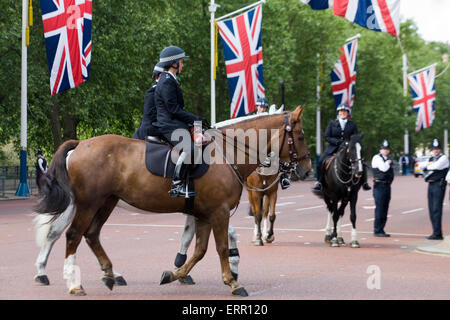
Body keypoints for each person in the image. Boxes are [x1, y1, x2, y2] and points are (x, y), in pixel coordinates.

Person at [153, 45, 205, 198]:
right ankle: (176, 185)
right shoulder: (167, 81)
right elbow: (174, 109)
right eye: (181, 62)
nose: (182, 64)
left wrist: (195, 121)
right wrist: (195, 119)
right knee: (189, 148)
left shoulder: (170, 79)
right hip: (168, 124)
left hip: (173, 122)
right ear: (173, 63)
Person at [313, 103, 371, 191]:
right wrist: (337, 142)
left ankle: (364, 182)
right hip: (333, 148)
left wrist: (349, 143)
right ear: (338, 113)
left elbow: (355, 138)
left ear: (348, 113)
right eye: (341, 111)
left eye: (344, 111)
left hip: (348, 148)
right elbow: (327, 137)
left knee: (360, 161)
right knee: (321, 161)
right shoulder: (332, 123)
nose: (342, 113)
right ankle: (319, 182)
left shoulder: (352, 125)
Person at [419, 139, 449, 240]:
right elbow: (420, 166)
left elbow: (436, 166)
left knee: (436, 209)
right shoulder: (431, 158)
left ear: (440, 149)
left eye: (437, 149)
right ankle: (435, 232)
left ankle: (438, 233)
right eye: (434, 149)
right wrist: (428, 165)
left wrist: (427, 166)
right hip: (431, 184)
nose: (435, 150)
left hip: (439, 185)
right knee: (431, 209)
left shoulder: (443, 158)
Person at [133, 62, 165, 140]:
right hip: (151, 128)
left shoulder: (158, 89)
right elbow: (152, 115)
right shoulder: (154, 91)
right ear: (160, 76)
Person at [371, 140, 394, 237]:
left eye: (387, 149)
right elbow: (383, 168)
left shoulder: (387, 158)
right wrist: (388, 162)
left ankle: (382, 229)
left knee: (385, 208)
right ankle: (377, 229)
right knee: (380, 208)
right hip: (379, 186)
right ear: (380, 149)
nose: (385, 151)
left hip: (387, 186)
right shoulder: (377, 158)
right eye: (384, 149)